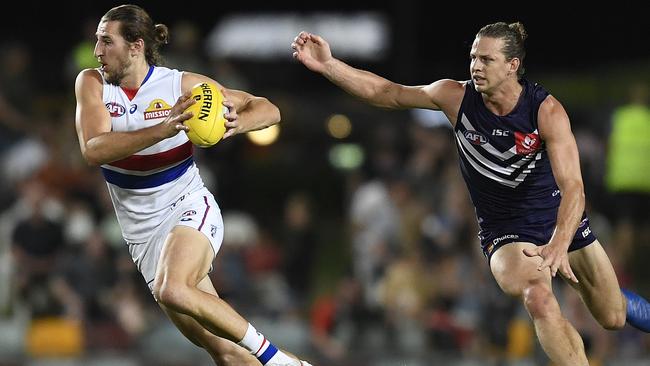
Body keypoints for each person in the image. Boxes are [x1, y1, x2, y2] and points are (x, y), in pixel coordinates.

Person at [292, 22, 650, 365]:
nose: (476, 67)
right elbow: (388, 92)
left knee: (613, 316)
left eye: (487, 60)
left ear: (513, 66)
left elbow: (574, 187)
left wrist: (559, 243)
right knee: (539, 298)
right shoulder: (455, 96)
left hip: (561, 223)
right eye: (474, 57)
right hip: (506, 233)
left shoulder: (546, 110)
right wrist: (329, 65)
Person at [74, 5, 311, 366]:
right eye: (97, 41)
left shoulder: (179, 85)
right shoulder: (91, 83)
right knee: (227, 353)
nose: (97, 51)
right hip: (143, 237)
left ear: (136, 46)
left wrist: (236, 124)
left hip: (186, 207)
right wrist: (164, 128)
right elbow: (94, 149)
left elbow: (268, 109)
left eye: (107, 41)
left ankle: (280, 361)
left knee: (174, 288)